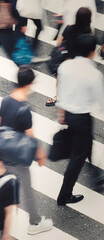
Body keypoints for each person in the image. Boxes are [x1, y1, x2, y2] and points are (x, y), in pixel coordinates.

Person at [0, 66, 53, 235]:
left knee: (4, 185)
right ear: (30, 83)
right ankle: (34, 222)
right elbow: (30, 137)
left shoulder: (5, 100)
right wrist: (40, 154)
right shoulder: (24, 109)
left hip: (3, 151)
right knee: (27, 189)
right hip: (17, 156)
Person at [56, 34, 104, 205]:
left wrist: (61, 113)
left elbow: (60, 90)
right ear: (92, 52)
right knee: (77, 158)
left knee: (86, 144)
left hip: (69, 114)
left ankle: (96, 177)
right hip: (82, 118)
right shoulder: (94, 74)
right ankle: (64, 195)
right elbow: (101, 103)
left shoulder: (65, 66)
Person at [46, 7, 92, 106]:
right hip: (77, 65)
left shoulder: (69, 28)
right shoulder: (88, 36)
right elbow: (89, 56)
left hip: (64, 61)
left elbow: (58, 43)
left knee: (60, 81)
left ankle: (58, 96)